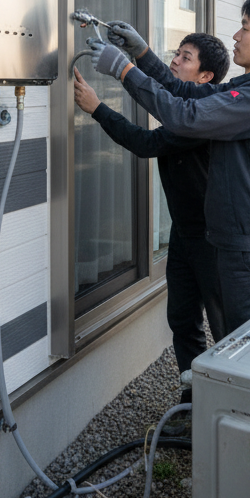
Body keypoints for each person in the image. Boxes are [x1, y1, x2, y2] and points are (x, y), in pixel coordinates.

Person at [89, 0, 250, 337]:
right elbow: (186, 93)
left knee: (245, 349)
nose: (236, 36)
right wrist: (142, 54)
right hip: (236, 242)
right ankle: (204, 392)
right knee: (233, 344)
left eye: (245, 28)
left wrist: (123, 69)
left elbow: (184, 115)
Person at [72, 34, 230, 393]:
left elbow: (147, 143)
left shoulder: (203, 115)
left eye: (185, 57)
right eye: (177, 53)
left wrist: (97, 107)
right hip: (184, 233)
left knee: (225, 327)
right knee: (182, 319)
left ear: (205, 76)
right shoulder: (187, 101)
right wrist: (140, 52)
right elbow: (169, 87)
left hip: (212, 238)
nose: (175, 60)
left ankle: (229, 407)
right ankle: (194, 399)